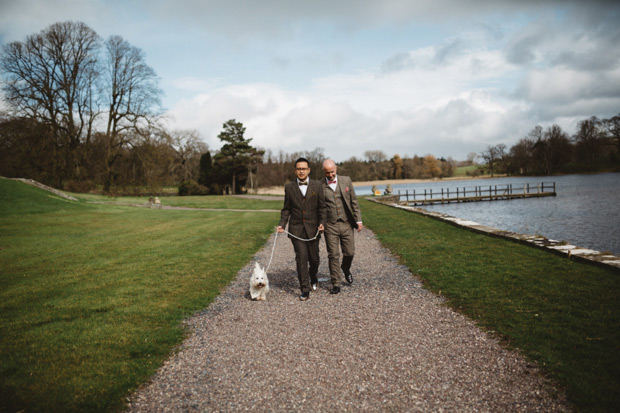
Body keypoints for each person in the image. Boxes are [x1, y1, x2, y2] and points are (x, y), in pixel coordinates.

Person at [278, 157, 326, 301]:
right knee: (301, 258)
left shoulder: (317, 186)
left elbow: (322, 208)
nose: (301, 171)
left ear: (309, 170)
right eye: (299, 169)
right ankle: (304, 289)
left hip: (313, 229)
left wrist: (322, 222)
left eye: (304, 168)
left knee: (315, 259)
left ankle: (313, 276)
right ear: (295, 171)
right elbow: (286, 209)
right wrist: (282, 224)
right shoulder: (289, 187)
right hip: (296, 229)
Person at [321, 159, 363, 294]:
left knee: (350, 252)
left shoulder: (346, 180)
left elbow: (354, 201)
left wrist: (359, 220)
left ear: (336, 168)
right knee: (333, 255)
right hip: (330, 225)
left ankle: (345, 268)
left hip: (346, 223)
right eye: (327, 173)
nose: (330, 175)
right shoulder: (319, 185)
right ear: (324, 172)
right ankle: (336, 284)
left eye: (332, 172)